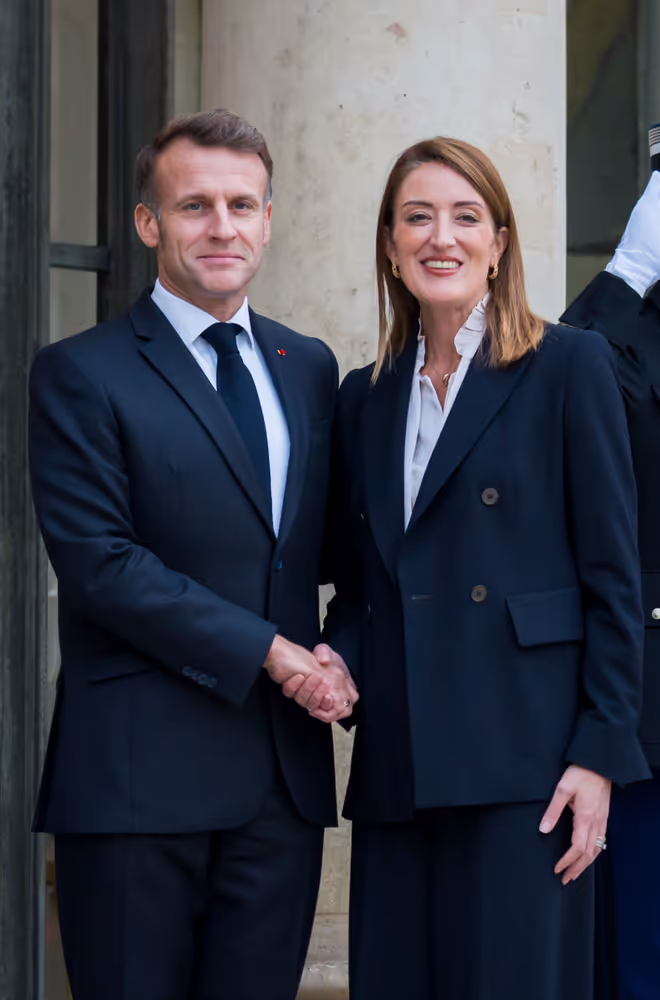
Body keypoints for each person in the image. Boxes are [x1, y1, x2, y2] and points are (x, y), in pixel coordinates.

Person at [29, 108, 357, 1000]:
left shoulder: (308, 366)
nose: (222, 227)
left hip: (280, 789)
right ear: (148, 224)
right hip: (137, 782)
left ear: (268, 219)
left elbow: (340, 555)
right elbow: (100, 563)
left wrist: (345, 653)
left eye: (242, 205)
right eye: (194, 206)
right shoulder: (80, 371)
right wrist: (273, 653)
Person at [318, 137, 649, 1000]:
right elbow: (362, 586)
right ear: (389, 245)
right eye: (417, 217)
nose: (442, 237)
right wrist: (335, 658)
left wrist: (598, 758)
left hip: (529, 768)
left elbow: (613, 578)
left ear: (499, 244)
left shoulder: (569, 364)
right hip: (400, 765)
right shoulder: (363, 394)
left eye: (466, 217)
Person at [561, 171, 660, 1000]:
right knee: (641, 964)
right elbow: (553, 389)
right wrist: (627, 272)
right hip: (653, 721)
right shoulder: (626, 337)